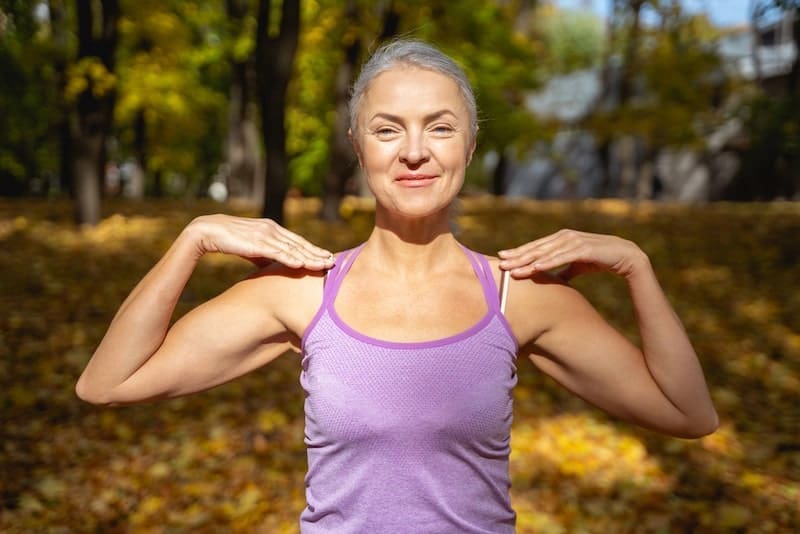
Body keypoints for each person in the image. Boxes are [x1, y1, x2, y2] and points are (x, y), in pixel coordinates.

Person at [76, 39, 718, 533]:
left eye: (440, 127)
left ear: (469, 144)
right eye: (388, 129)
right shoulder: (303, 291)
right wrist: (192, 239)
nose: (415, 152)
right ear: (359, 146)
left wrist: (637, 266)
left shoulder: (518, 295)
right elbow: (108, 382)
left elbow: (688, 413)